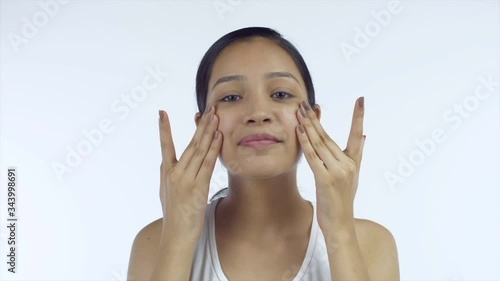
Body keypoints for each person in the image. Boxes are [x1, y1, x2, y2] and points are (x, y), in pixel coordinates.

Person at [127, 27, 399, 281]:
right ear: (203, 126)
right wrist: (176, 240)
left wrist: (340, 231)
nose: (258, 113)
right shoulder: (156, 242)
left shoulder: (369, 242)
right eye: (231, 97)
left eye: (280, 93)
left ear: (313, 117)